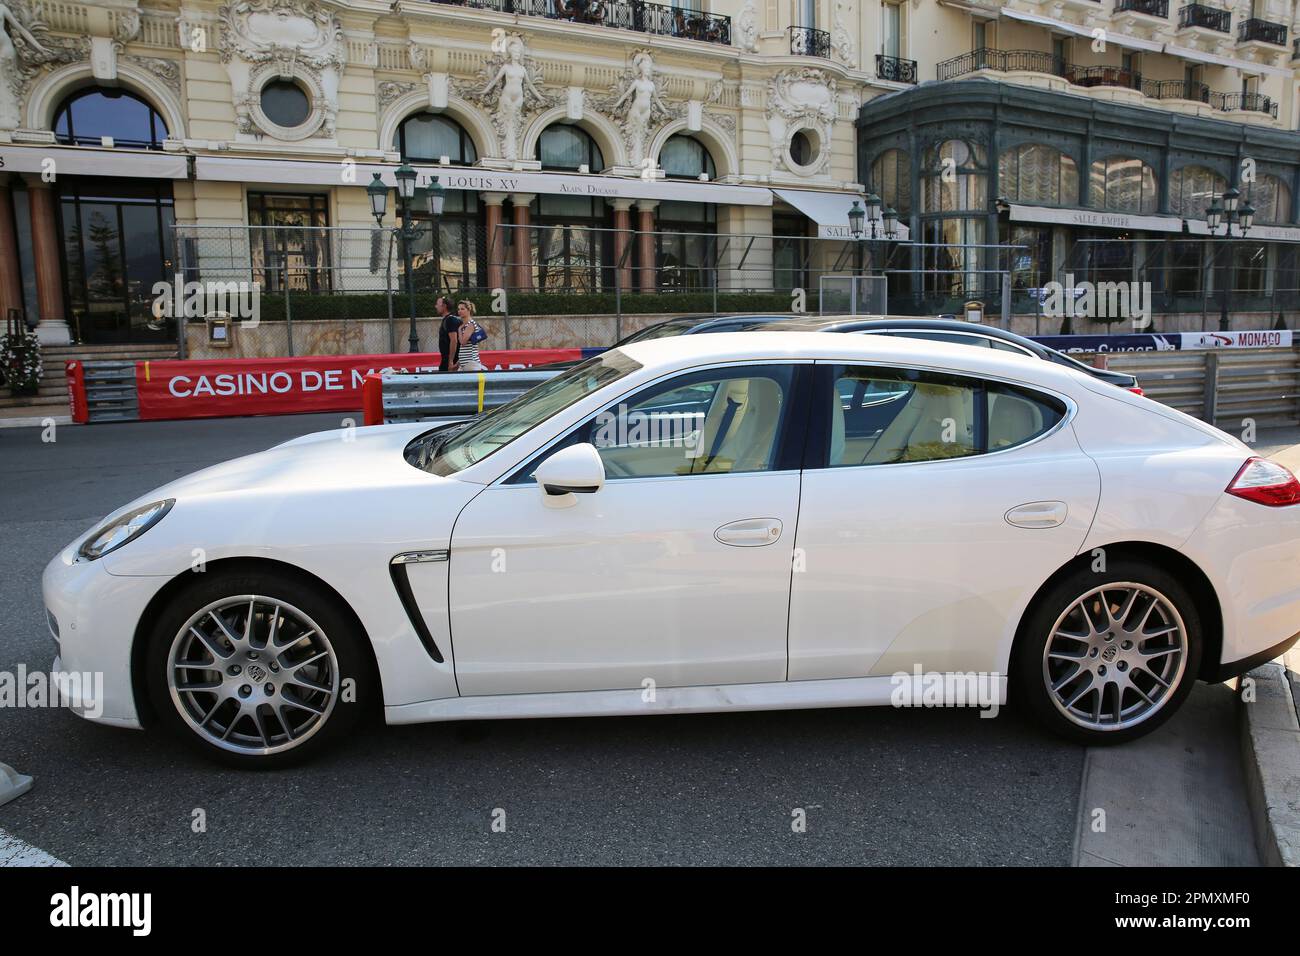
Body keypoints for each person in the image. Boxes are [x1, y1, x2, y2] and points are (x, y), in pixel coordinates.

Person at [454, 300, 487, 371]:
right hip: (465, 364)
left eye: (462, 309)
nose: (459, 311)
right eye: (458, 309)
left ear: (469, 310)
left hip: (471, 363)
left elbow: (463, 342)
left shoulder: (470, 324)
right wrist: (459, 362)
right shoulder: (465, 325)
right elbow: (465, 348)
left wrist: (459, 329)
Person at [434, 296, 461, 372]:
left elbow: (454, 340)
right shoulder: (448, 319)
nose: (435, 306)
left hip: (450, 362)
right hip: (447, 360)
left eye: (437, 304)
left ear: (444, 306)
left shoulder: (450, 320)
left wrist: (451, 361)